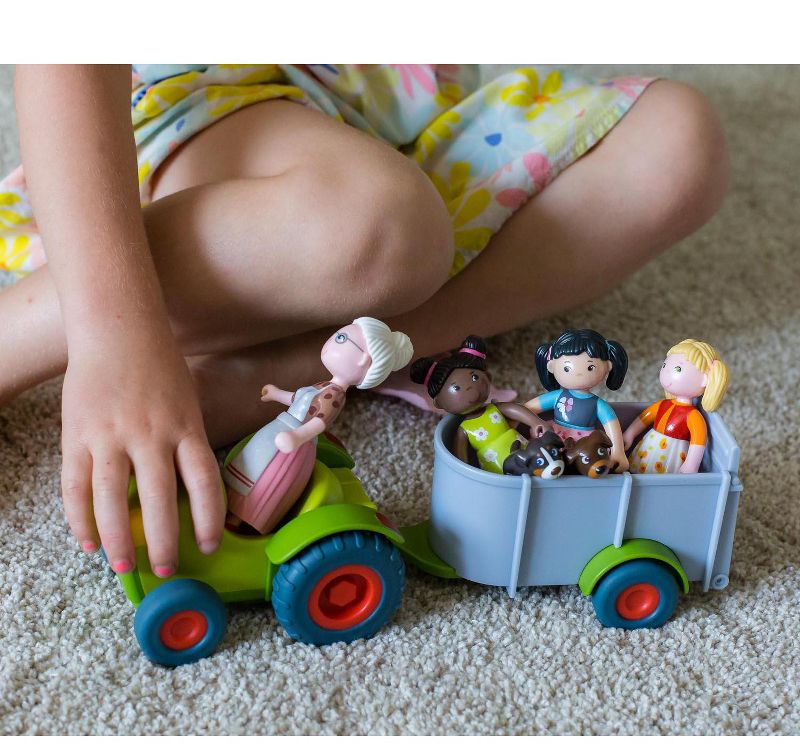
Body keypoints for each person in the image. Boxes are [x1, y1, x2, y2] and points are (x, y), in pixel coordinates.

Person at [0, 65, 729, 576]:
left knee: (678, 139)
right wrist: (115, 338)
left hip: (405, 114)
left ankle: (300, 363)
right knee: (378, 229)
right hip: (204, 97)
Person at [224, 317, 412, 534]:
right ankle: (229, 503)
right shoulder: (324, 385)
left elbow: (319, 421)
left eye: (341, 338)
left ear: (363, 360)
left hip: (293, 442)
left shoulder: (335, 395)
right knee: (251, 464)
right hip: (281, 427)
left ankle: (241, 520)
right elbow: (298, 400)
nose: (331, 341)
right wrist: (275, 393)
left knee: (265, 480)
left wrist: (297, 437)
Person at [410, 335, 546, 472]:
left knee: (542, 464)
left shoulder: (494, 409)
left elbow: (515, 409)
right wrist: (464, 471)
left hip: (524, 448)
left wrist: (536, 422)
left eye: (474, 377)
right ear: (439, 403)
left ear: (488, 377)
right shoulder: (464, 429)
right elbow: (461, 456)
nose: (470, 389)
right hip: (495, 465)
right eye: (456, 388)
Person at [524, 329, 630, 471]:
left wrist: (618, 452)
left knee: (587, 461)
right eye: (567, 368)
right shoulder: (557, 396)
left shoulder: (597, 404)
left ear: (608, 367)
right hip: (555, 434)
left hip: (584, 442)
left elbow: (612, 426)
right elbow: (528, 409)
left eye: (590, 367)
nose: (578, 374)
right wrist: (517, 420)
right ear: (551, 367)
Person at [623, 339, 729, 474]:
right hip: (649, 447)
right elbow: (644, 418)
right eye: (665, 365)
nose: (667, 373)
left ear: (704, 379)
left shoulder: (693, 416)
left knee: (666, 478)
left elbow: (697, 442)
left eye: (678, 369)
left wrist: (691, 464)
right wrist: (629, 434)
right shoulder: (662, 405)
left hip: (672, 452)